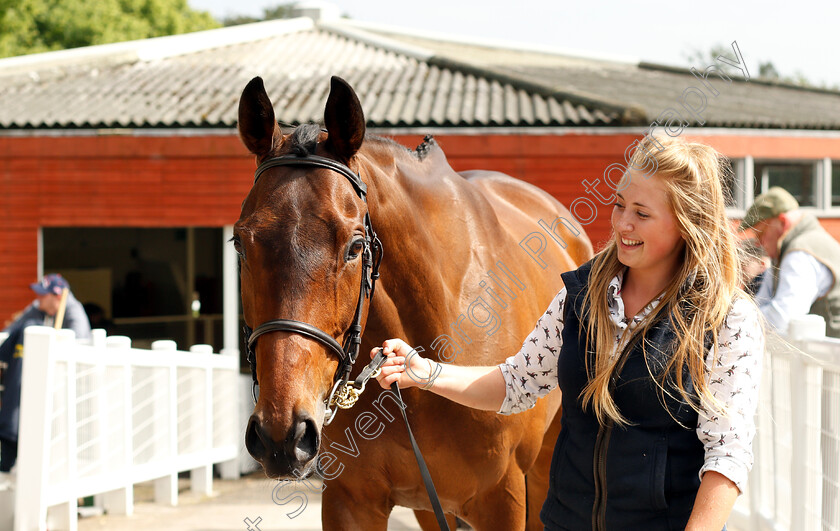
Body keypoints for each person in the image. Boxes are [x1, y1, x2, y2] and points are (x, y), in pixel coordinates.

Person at [372, 136, 763, 530]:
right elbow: (516, 382)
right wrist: (426, 372)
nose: (623, 223)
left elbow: (726, 455)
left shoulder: (725, 317)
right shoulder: (581, 294)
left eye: (642, 214)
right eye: (619, 205)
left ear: (687, 224)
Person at [0, 274, 91, 474]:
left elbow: (79, 347)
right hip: (36, 386)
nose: (38, 298)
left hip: (69, 390)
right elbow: (10, 332)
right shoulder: (37, 309)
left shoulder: (73, 312)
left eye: (43, 294)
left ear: (57, 296)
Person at [739, 186, 840, 338]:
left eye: (762, 234)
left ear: (782, 222)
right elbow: (760, 303)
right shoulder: (787, 250)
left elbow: (781, 319)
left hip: (829, 358)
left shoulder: (800, 252)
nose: (758, 243)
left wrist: (736, 325)